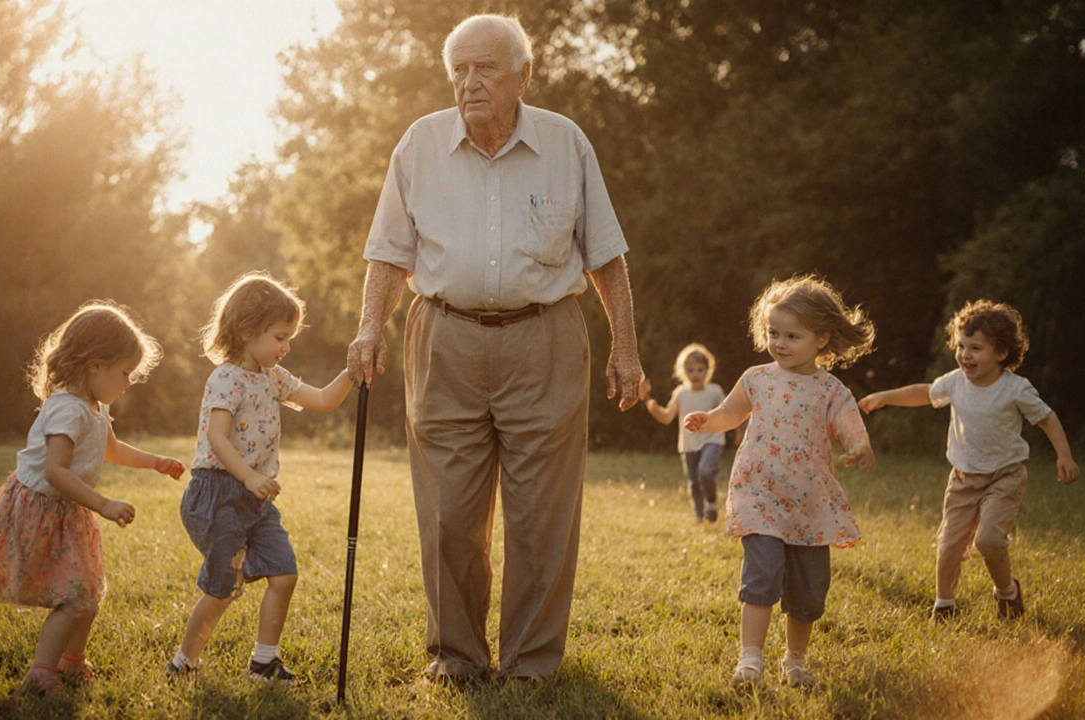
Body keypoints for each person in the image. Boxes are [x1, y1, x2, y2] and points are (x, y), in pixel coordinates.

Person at [346, 14, 644, 682]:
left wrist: (626, 348)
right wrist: (370, 327)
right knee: (449, 514)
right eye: (459, 69)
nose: (468, 82)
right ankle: (456, 656)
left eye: (484, 67)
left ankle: (531, 664)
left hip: (546, 338)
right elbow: (389, 253)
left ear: (523, 76)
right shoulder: (420, 144)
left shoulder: (566, 143)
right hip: (443, 338)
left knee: (542, 514)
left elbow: (607, 256)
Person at [0, 302, 185, 694]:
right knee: (71, 598)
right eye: (125, 373)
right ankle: (41, 673)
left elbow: (111, 450)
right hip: (41, 510)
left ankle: (72, 662)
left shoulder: (96, 406)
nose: (128, 383)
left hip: (69, 510)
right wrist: (104, 504)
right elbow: (55, 471)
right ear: (94, 365)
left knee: (87, 593)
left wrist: (155, 462)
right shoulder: (67, 409)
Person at [683, 275, 876, 688]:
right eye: (773, 333)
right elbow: (730, 413)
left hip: (809, 503)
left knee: (808, 593)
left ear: (822, 338)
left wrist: (859, 447)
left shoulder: (830, 390)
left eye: (793, 335)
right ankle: (750, 661)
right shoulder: (758, 378)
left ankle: (795, 662)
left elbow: (849, 427)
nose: (780, 343)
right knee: (761, 575)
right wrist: (707, 421)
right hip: (759, 495)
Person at [167, 271, 352, 682]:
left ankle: (264, 661)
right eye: (280, 337)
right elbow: (217, 437)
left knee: (284, 574)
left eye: (289, 339)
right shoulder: (226, 378)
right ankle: (184, 663)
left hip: (256, 497)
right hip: (219, 495)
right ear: (248, 330)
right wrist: (249, 477)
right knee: (221, 589)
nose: (286, 347)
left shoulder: (273, 377)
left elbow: (321, 400)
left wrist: (352, 373)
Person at [859, 299, 1079, 622]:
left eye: (975, 348)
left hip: (1005, 476)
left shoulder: (1015, 389)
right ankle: (944, 605)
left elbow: (1046, 418)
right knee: (949, 543)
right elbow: (924, 393)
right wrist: (885, 397)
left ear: (1001, 353)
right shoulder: (955, 382)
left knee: (989, 540)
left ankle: (1007, 592)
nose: (964, 355)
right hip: (963, 479)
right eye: (961, 346)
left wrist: (1064, 455)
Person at [641, 343, 727, 523]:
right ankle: (699, 514)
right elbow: (666, 417)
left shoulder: (715, 392)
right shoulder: (680, 393)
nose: (695, 374)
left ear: (708, 370)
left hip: (713, 439)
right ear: (683, 372)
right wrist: (652, 406)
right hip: (688, 444)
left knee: (705, 470)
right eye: (691, 370)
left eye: (700, 369)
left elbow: (729, 412)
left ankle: (711, 502)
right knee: (694, 482)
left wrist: (739, 431)